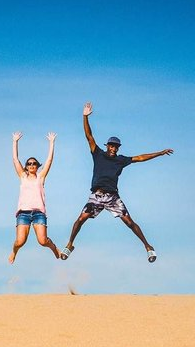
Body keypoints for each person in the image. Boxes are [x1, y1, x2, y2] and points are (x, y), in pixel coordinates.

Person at [60, 102, 174, 262]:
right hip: (96, 196)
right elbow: (89, 136)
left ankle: (148, 247)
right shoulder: (98, 153)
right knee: (81, 219)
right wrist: (85, 117)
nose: (114, 148)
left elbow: (140, 157)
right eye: (111, 145)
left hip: (113, 197)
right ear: (107, 146)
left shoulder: (121, 160)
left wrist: (160, 153)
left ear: (118, 148)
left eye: (116, 146)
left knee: (129, 222)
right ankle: (70, 244)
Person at [9, 131, 61, 263]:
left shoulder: (41, 177)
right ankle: (14, 252)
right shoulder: (23, 177)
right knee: (19, 242)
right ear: (26, 167)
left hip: (38, 213)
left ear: (37, 166)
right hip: (23, 213)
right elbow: (15, 160)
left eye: (34, 163)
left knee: (43, 241)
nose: (32, 165)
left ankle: (54, 247)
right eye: (29, 164)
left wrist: (51, 143)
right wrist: (15, 142)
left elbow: (49, 160)